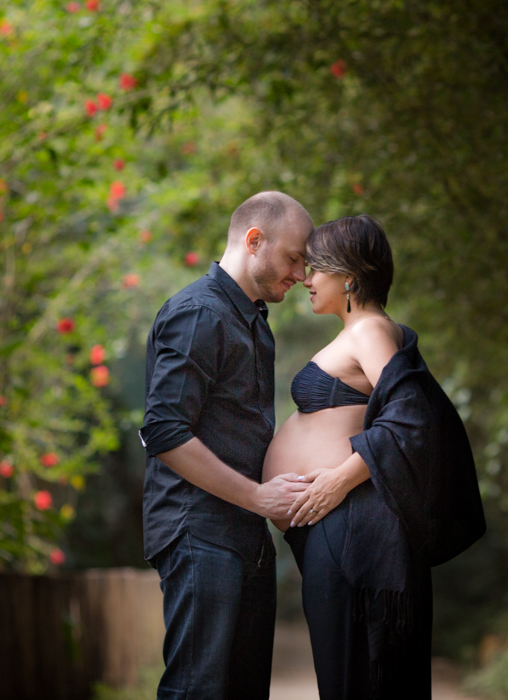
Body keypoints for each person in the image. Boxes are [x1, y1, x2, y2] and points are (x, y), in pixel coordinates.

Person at [262, 215, 487, 700]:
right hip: (341, 528)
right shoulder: (361, 332)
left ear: (348, 276)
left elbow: (412, 419)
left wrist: (338, 480)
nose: (305, 279)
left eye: (316, 267)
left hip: (352, 524)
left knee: (354, 680)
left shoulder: (369, 332)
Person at [139, 191, 316, 700]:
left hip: (246, 537)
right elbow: (164, 431)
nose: (301, 274)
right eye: (294, 258)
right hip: (198, 531)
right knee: (197, 691)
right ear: (254, 241)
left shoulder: (254, 322)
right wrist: (258, 497)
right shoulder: (199, 313)